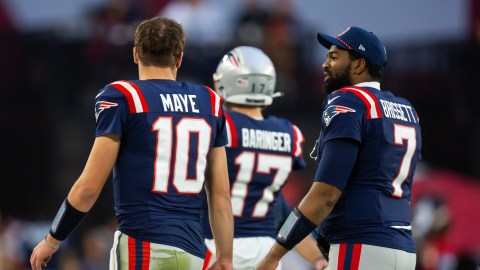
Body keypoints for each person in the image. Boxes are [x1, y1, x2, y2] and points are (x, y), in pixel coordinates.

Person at [30, 16, 234, 270]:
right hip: (194, 251)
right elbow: (221, 195)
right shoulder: (209, 102)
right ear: (179, 58)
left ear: (136, 54)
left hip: (144, 244)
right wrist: (225, 258)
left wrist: (52, 239)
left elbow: (88, 188)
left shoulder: (123, 97)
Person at [256, 26, 422, 270]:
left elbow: (325, 195)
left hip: (360, 245)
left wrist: (274, 254)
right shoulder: (407, 110)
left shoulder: (348, 100)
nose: (325, 64)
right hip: (403, 247)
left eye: (334, 57)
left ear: (358, 65)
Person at [200, 46, 328, 270]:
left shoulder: (217, 125)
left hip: (216, 247)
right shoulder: (289, 133)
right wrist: (317, 258)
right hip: (266, 252)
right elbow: (281, 210)